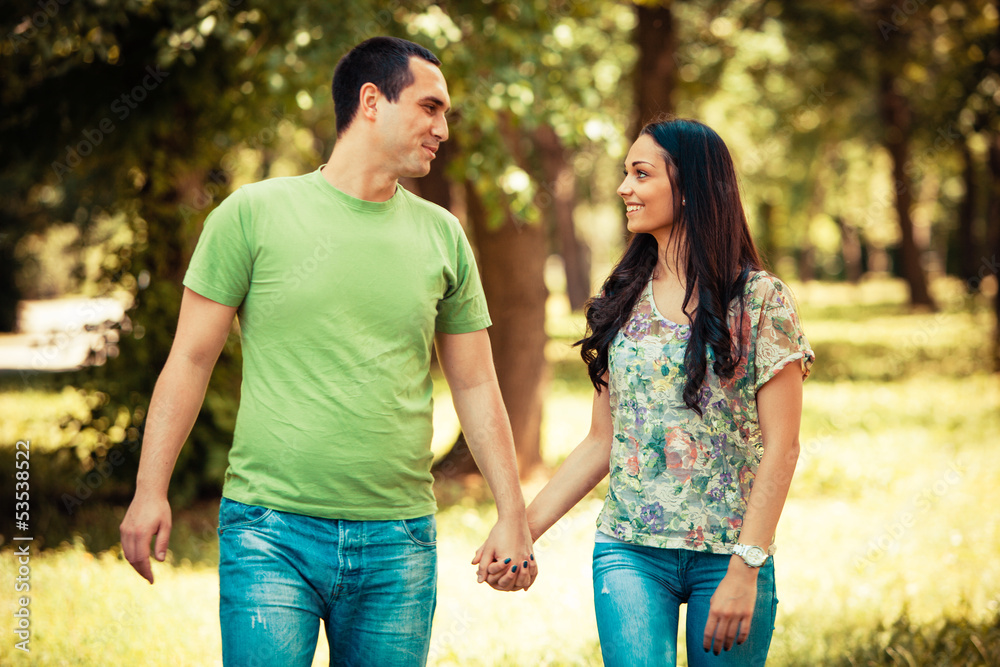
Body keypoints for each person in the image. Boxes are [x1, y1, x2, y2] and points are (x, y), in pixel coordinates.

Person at [120, 36, 537, 666]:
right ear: (372, 101)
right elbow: (190, 359)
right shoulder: (251, 216)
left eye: (444, 113)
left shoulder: (442, 236)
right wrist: (151, 487)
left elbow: (476, 384)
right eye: (429, 107)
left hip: (398, 542)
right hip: (270, 532)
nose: (442, 128)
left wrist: (514, 513)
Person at [477, 118, 814, 666]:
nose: (623, 188)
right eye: (624, 174)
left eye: (641, 174)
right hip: (629, 552)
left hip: (727, 554)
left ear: (691, 189)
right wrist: (519, 532)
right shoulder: (622, 298)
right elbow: (600, 442)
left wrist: (746, 566)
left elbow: (784, 447)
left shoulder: (760, 300)